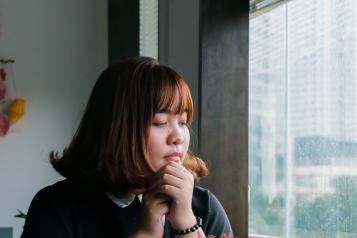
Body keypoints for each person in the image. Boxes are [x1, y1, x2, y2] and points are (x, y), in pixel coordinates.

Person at [21, 57, 233, 238]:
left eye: (183, 122)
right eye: (159, 122)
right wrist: (146, 234)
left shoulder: (204, 207)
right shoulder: (57, 209)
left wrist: (187, 226)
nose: (178, 136)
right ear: (116, 128)